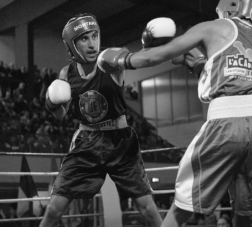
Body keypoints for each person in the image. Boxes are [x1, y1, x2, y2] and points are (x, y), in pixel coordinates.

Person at [97, 0, 252, 227]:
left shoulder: (212, 28)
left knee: (182, 208)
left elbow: (153, 57)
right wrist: (198, 63)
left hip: (225, 125)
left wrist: (121, 59)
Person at [39, 13, 162, 227]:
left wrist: (157, 48)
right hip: (86, 141)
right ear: (72, 45)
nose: (92, 44)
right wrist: (50, 102)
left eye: (94, 36)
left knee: (147, 207)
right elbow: (61, 114)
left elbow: (139, 60)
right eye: (84, 39)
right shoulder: (67, 73)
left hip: (120, 141)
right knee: (54, 208)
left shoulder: (110, 61)